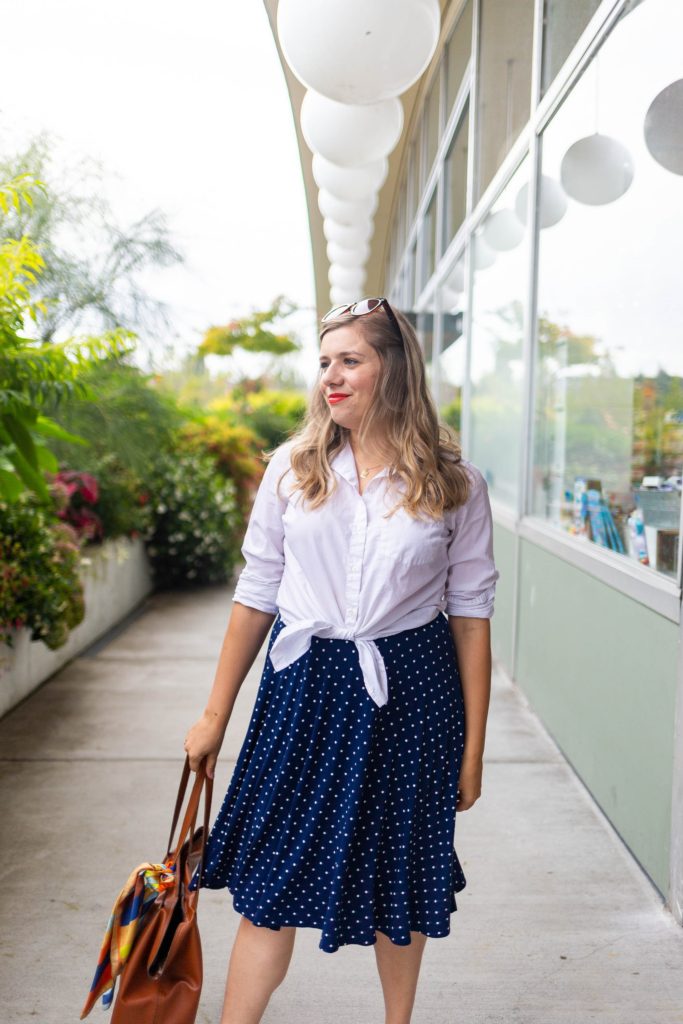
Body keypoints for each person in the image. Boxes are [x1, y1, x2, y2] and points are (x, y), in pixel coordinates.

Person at [184, 296, 499, 1024]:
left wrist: (472, 750)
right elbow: (256, 592)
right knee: (273, 874)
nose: (331, 376)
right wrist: (211, 717)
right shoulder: (292, 470)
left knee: (402, 873)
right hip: (302, 686)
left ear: (393, 369)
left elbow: (472, 621)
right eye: (325, 362)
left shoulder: (456, 484)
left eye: (349, 360)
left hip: (411, 689)